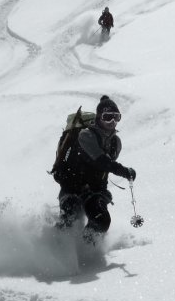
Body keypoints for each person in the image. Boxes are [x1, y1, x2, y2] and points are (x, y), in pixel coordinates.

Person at [55, 95, 136, 244]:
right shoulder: (86, 135)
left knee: (102, 221)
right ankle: (54, 246)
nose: (112, 122)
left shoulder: (115, 143)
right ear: (99, 117)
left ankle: (86, 254)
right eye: (107, 117)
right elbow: (102, 161)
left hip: (95, 190)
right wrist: (123, 171)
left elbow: (104, 170)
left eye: (116, 117)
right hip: (71, 187)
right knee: (70, 217)